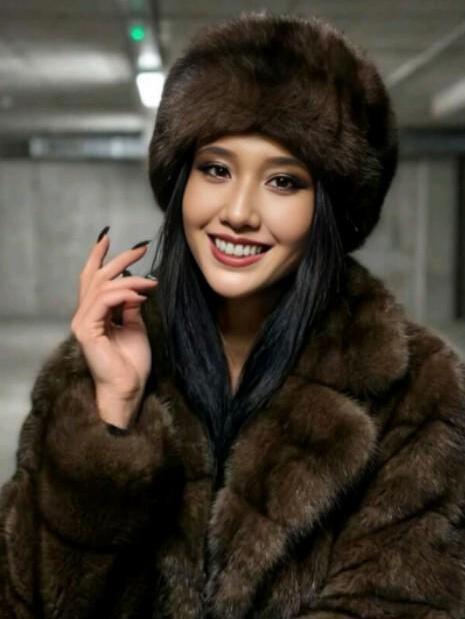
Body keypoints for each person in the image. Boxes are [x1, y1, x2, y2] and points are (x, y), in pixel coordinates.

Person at [1, 9, 465, 619]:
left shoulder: (418, 392)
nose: (239, 212)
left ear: (328, 207)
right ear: (182, 181)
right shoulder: (91, 368)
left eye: (283, 182)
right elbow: (30, 598)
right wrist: (112, 416)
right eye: (215, 170)